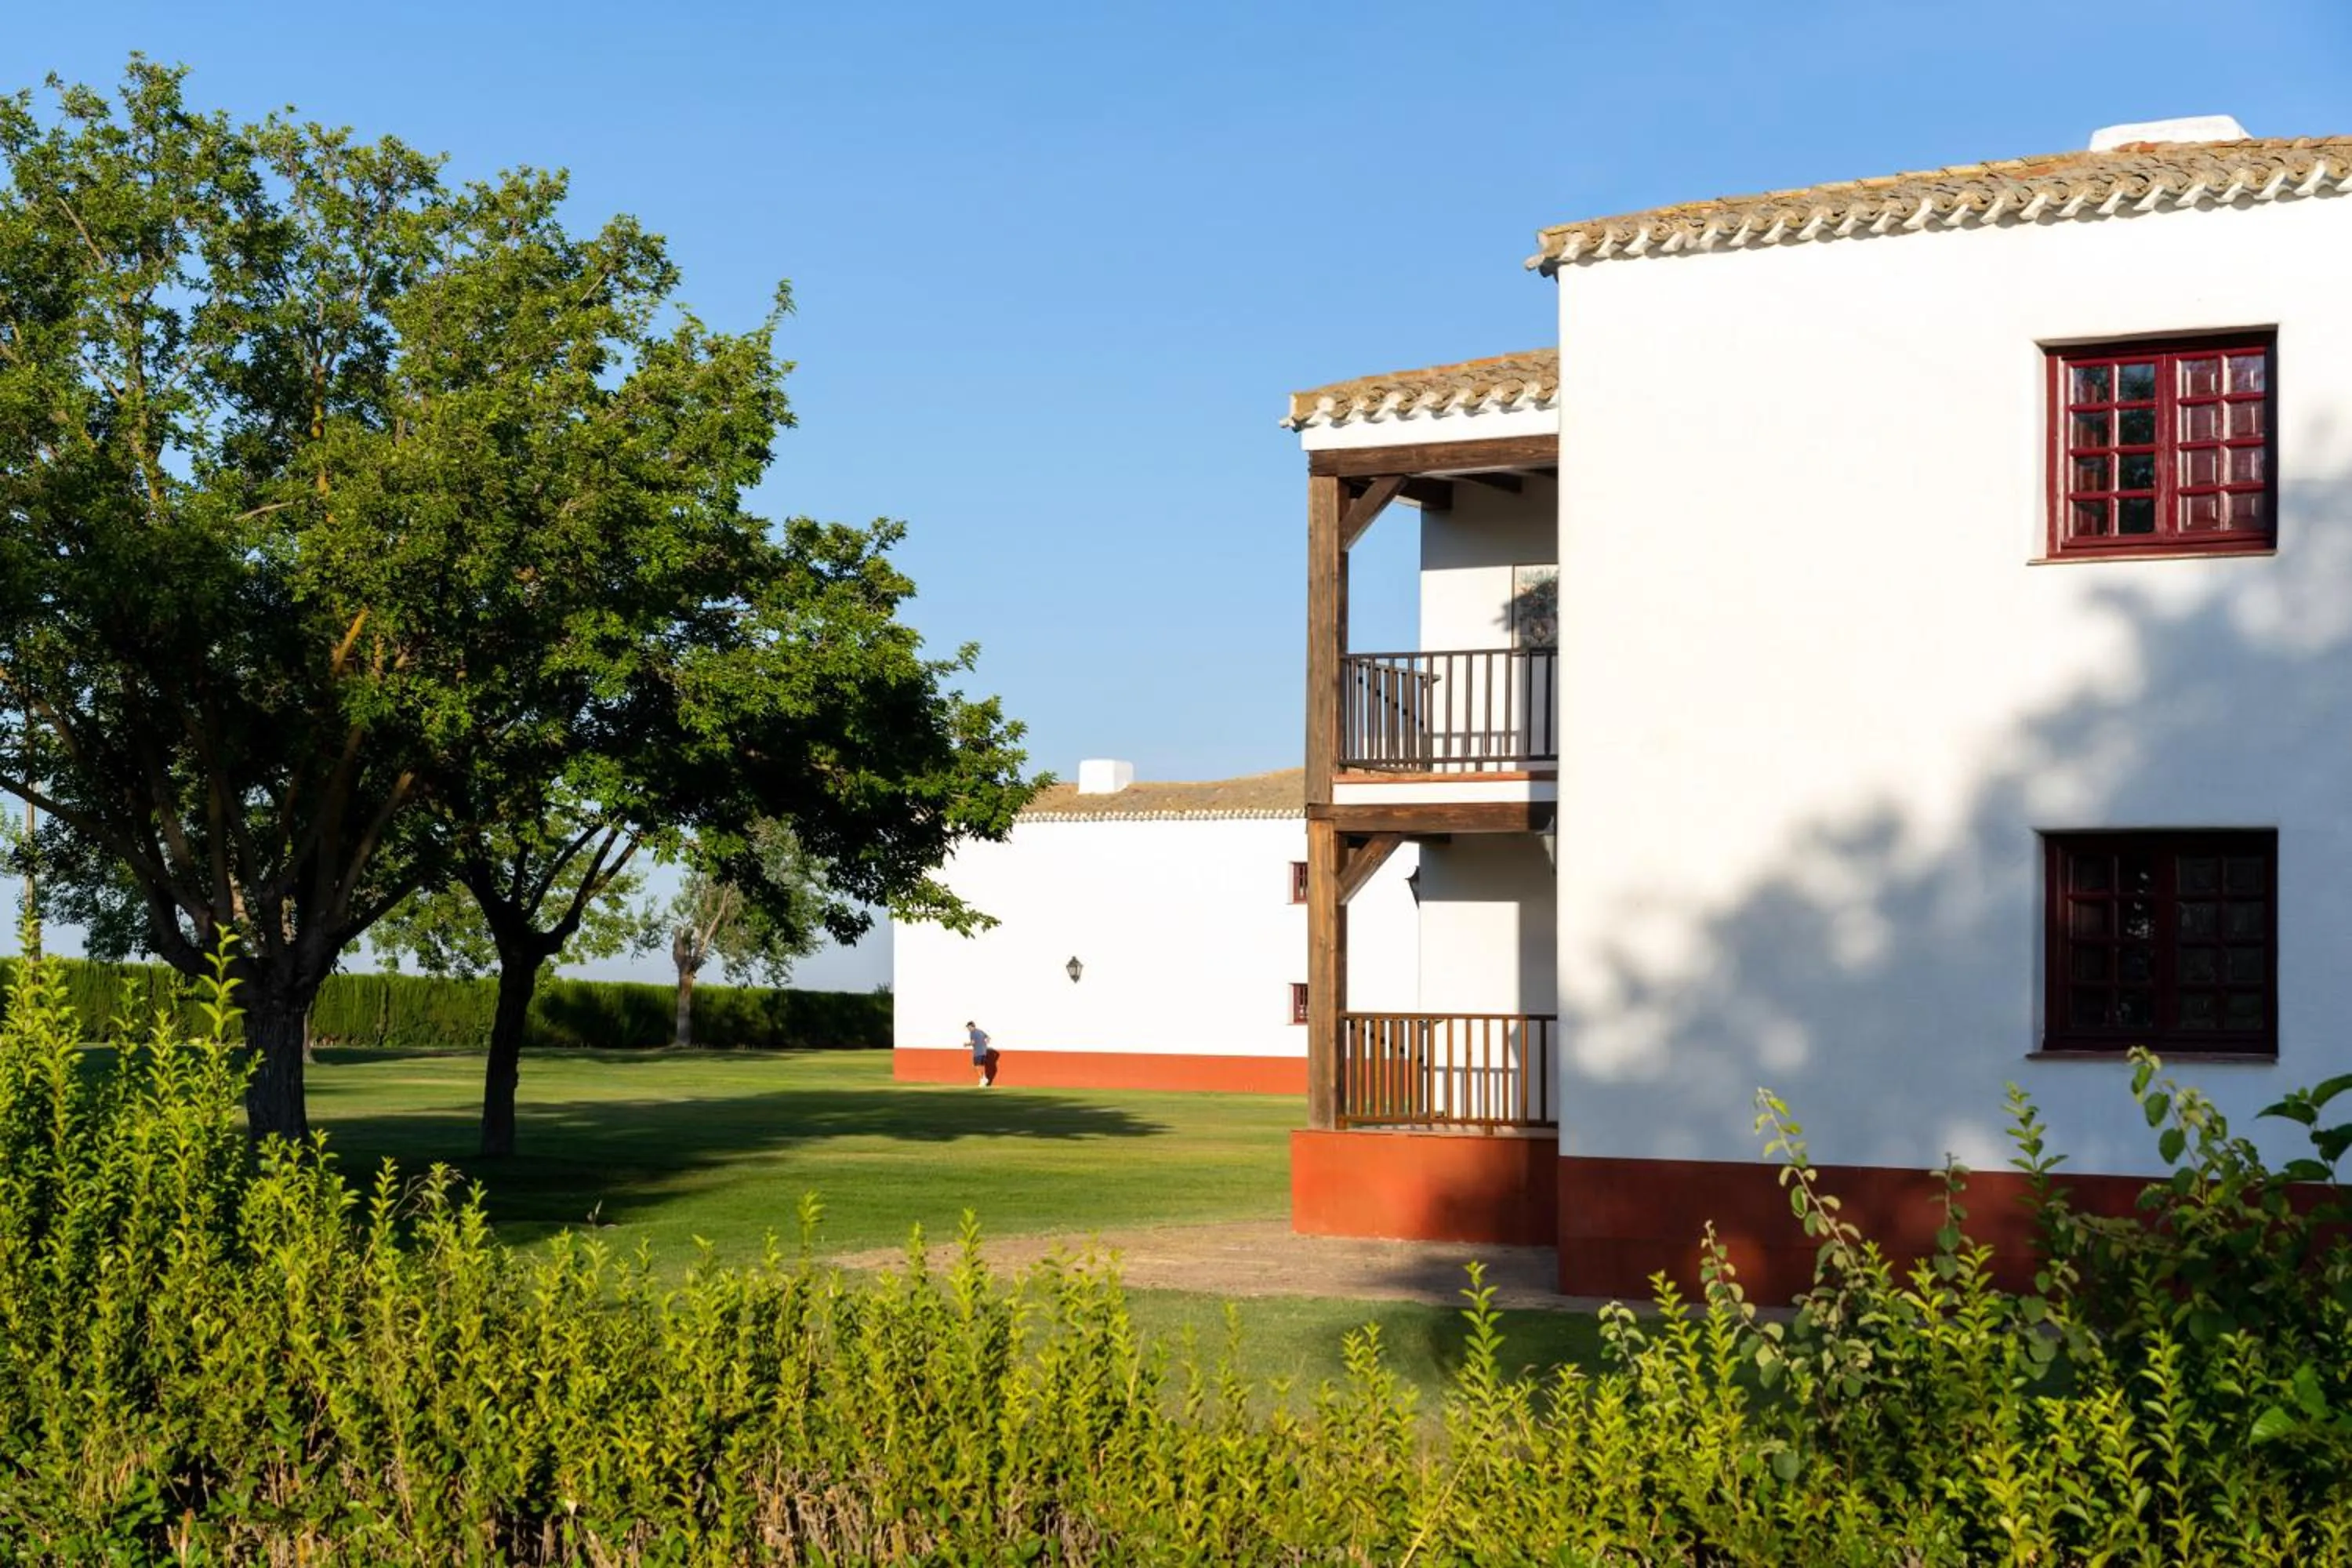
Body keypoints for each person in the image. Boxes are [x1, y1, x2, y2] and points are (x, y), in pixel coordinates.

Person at [966, 1020, 996, 1087]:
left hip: (978, 1052)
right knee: (981, 1066)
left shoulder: (972, 1033)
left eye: (968, 1027)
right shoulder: (980, 1031)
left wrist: (966, 1044)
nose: (968, 1029)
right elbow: (988, 1038)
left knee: (976, 1066)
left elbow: (973, 1042)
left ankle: (983, 1079)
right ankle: (984, 1078)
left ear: (972, 1026)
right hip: (983, 1052)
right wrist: (986, 1044)